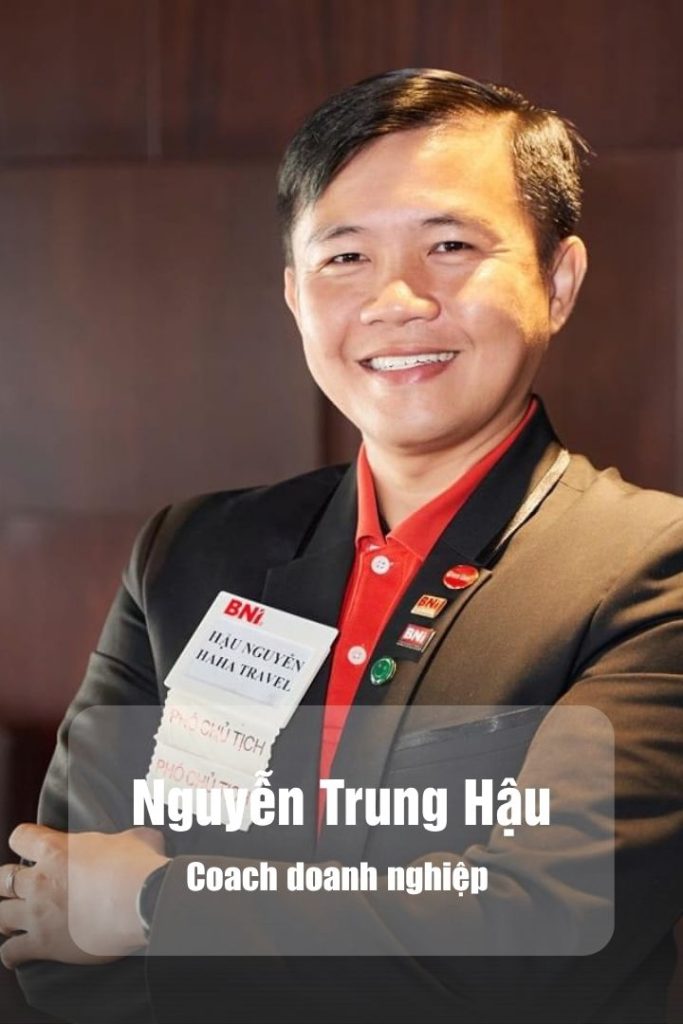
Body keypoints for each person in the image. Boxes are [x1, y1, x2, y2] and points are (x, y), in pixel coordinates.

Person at [1, 68, 682, 1024]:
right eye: (345, 256)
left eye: (450, 245)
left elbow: (538, 936)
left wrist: (154, 903)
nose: (396, 300)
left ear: (557, 280)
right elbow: (57, 921)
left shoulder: (651, 568)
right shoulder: (191, 553)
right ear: (293, 294)